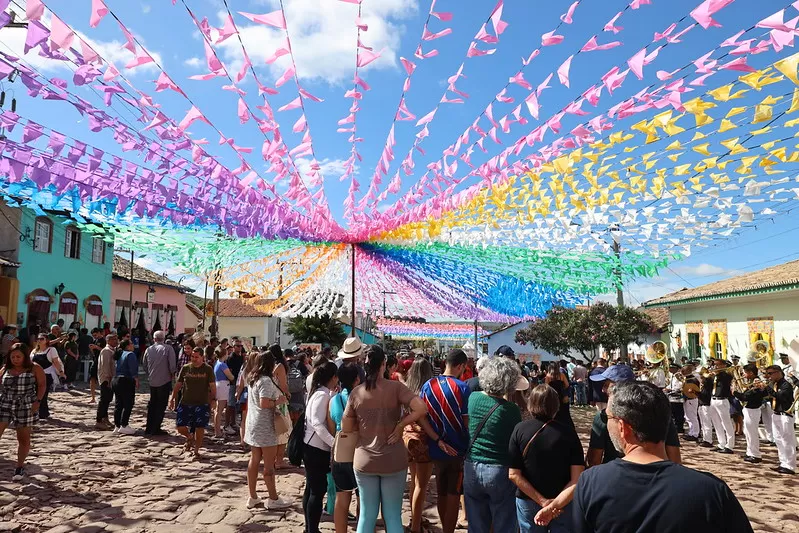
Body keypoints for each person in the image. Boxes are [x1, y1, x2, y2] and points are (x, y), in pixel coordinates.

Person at [571, 381, 753, 533]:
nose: (606, 421)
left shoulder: (590, 482)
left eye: (609, 418)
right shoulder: (712, 490)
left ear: (623, 427)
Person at [341, 345, 428, 533]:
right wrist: (401, 425)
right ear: (384, 364)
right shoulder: (396, 388)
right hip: (393, 459)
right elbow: (421, 408)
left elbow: (346, 427)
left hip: (364, 460)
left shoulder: (356, 393)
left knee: (366, 515)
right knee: (393, 516)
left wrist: (364, 424)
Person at [509, 385, 584, 532]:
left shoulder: (519, 430)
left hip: (528, 499)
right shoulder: (569, 433)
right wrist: (553, 505)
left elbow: (513, 474)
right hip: (562, 502)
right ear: (556, 405)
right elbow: (577, 479)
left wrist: (543, 502)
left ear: (531, 403)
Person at [463, 356, 522, 533]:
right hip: (499, 469)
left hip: (472, 466)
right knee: (504, 523)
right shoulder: (511, 409)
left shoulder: (472, 398)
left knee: (476, 525)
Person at [586, 364, 681, 467]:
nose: (602, 390)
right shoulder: (660, 414)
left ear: (618, 387)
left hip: (613, 474)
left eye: (606, 385)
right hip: (658, 473)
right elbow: (675, 459)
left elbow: (594, 460)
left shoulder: (603, 417)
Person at [418, 348, 471, 533]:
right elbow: (466, 421)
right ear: (460, 366)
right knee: (454, 493)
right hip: (458, 449)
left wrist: (436, 438)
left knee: (441, 490)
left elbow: (420, 416)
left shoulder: (428, 385)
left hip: (436, 447)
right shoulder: (463, 388)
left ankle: (444, 528)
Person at [242, 350, 291, 509]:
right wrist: (278, 401)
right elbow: (264, 403)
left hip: (253, 424)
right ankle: (273, 498)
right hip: (266, 426)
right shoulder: (265, 381)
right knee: (269, 465)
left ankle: (253, 496)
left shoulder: (252, 378)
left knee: (254, 459)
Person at [0, 343, 46, 481]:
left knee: (23, 438)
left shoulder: (34, 368)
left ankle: (19, 467)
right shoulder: (5, 368)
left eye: (18, 357)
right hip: (5, 403)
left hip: (25, 405)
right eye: (13, 357)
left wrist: (38, 401)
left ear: (25, 356)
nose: (15, 359)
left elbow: (42, 385)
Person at [303, 362, 338, 533]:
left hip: (312, 447)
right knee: (317, 491)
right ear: (333, 378)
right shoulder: (322, 395)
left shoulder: (319, 393)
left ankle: (309, 528)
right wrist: (333, 442)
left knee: (311, 489)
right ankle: (313, 529)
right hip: (316, 449)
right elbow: (317, 423)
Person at [402, 357, 435, 533]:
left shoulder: (406, 391)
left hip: (407, 438)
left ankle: (416, 518)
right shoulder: (428, 393)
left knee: (414, 482)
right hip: (422, 439)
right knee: (422, 485)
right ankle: (416, 527)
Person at [169, 346, 216, 459]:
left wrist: (213, 400)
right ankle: (189, 436)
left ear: (202, 357)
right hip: (186, 402)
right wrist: (172, 398)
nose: (194, 359)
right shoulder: (186, 368)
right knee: (180, 426)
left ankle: (196, 450)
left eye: (196, 357)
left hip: (202, 403)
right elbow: (178, 384)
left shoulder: (208, 369)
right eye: (192, 357)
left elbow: (212, 386)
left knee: (200, 428)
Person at [329, 363, 360, 533]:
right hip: (359, 452)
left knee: (341, 498)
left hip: (340, 452)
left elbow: (331, 428)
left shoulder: (334, 400)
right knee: (363, 498)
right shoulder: (362, 398)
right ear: (357, 379)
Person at [142, 331, 177, 436]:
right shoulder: (168, 349)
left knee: (152, 404)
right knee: (161, 405)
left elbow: (144, 365)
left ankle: (149, 427)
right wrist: (172, 375)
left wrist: (150, 374)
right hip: (164, 380)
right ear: (163, 338)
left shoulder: (149, 349)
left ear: (154, 339)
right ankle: (156, 427)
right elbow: (172, 366)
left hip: (152, 380)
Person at [733, 363, 768, 464]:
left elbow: (746, 396)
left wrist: (735, 393)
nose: (743, 375)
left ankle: (756, 455)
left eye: (745, 373)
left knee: (752, 433)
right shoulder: (751, 382)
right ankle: (750, 452)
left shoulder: (756, 382)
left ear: (751, 373)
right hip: (748, 409)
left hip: (753, 410)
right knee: (747, 432)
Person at [765, 364, 797, 474]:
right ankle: (783, 463)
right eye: (767, 374)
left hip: (785, 415)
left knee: (787, 441)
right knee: (778, 440)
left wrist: (767, 388)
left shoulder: (785, 385)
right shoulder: (774, 384)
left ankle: (790, 466)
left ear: (778, 372)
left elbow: (780, 396)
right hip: (776, 413)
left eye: (770, 373)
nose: (769, 376)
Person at [31, 334, 65, 420]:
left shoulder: (51, 350)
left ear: (46, 340)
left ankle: (42, 413)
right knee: (36, 393)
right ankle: (43, 412)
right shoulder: (34, 351)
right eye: (38, 339)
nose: (39, 340)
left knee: (43, 394)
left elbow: (56, 362)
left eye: (42, 339)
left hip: (47, 375)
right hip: (35, 376)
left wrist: (61, 372)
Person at [269, 344, 291, 469]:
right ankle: (279, 460)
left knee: (274, 430)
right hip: (280, 399)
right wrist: (287, 393)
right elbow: (283, 384)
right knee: (283, 429)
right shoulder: (280, 366)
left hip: (271, 398)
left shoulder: (269, 366)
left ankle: (272, 459)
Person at [709, 358, 735, 454]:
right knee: (716, 423)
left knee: (726, 423)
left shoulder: (726, 375)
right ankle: (721, 443)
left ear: (723, 365)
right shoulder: (715, 376)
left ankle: (730, 445)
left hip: (722, 400)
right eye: (714, 364)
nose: (715, 366)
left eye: (717, 365)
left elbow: (726, 381)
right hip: (713, 399)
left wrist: (717, 374)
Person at [112, 339, 138, 435]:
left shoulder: (120, 354)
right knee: (128, 404)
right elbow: (133, 369)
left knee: (118, 404)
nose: (133, 345)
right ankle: (124, 425)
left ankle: (117, 425)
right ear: (127, 346)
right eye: (131, 343)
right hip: (126, 380)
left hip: (116, 380)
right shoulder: (130, 354)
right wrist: (136, 379)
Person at [95, 334, 117, 430]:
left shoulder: (112, 350)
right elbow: (105, 366)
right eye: (113, 339)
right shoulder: (106, 351)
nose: (116, 341)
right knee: (104, 399)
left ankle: (105, 418)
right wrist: (108, 379)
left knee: (108, 399)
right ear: (108, 341)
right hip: (106, 379)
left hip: (111, 378)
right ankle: (99, 420)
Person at [212, 347, 235, 439]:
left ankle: (217, 430)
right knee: (219, 410)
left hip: (219, 384)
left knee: (218, 410)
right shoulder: (223, 365)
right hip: (223, 386)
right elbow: (230, 376)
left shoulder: (217, 363)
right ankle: (217, 432)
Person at [545, 364, 573, 429]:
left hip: (553, 397)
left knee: (554, 413)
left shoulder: (548, 376)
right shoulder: (561, 375)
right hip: (562, 396)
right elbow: (567, 385)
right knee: (565, 413)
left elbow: (546, 386)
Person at [226, 338, 245, 432]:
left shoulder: (241, 357)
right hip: (232, 384)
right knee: (230, 404)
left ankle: (233, 422)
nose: (239, 347)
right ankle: (226, 425)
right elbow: (229, 372)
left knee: (235, 405)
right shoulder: (230, 358)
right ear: (233, 347)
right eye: (237, 346)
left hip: (239, 383)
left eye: (241, 346)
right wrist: (234, 383)